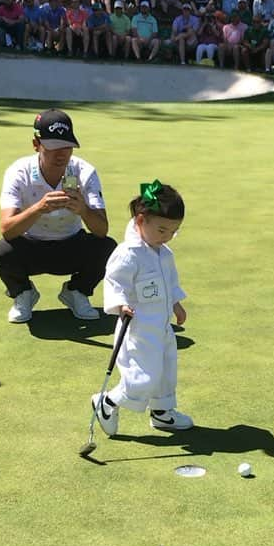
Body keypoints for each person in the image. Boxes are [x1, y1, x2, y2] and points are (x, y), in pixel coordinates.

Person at [0, 110, 117, 323]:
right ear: (36, 144)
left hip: (72, 245)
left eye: (67, 146)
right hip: (31, 246)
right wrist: (38, 208)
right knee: (1, 253)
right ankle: (23, 293)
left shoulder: (85, 171)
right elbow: (7, 230)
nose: (61, 154)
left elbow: (102, 230)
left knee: (107, 247)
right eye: (53, 147)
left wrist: (83, 210)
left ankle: (77, 292)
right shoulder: (18, 172)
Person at [91, 180, 193, 436]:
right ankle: (107, 401)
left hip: (162, 326)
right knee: (143, 376)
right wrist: (120, 304)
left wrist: (176, 304)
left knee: (167, 369)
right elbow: (115, 282)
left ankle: (162, 413)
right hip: (138, 328)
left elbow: (170, 284)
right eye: (161, 230)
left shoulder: (164, 253)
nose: (167, 236)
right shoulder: (128, 254)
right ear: (140, 220)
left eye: (173, 231)